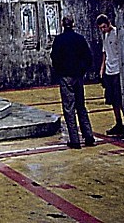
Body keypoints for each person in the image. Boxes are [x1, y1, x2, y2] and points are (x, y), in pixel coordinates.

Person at [51, 16, 95, 149]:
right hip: (78, 76)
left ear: (62, 25)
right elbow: (88, 57)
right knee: (81, 106)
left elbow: (54, 57)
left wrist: (60, 71)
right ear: (73, 24)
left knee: (69, 108)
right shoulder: (79, 39)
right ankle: (88, 136)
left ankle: (74, 139)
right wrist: (82, 71)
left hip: (66, 76)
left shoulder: (59, 40)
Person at [96, 13, 124, 135]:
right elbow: (105, 53)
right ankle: (118, 122)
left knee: (120, 98)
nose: (103, 29)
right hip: (109, 70)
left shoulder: (116, 33)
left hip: (117, 70)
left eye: (104, 27)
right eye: (101, 28)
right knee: (112, 99)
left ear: (108, 23)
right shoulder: (106, 35)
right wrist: (102, 69)